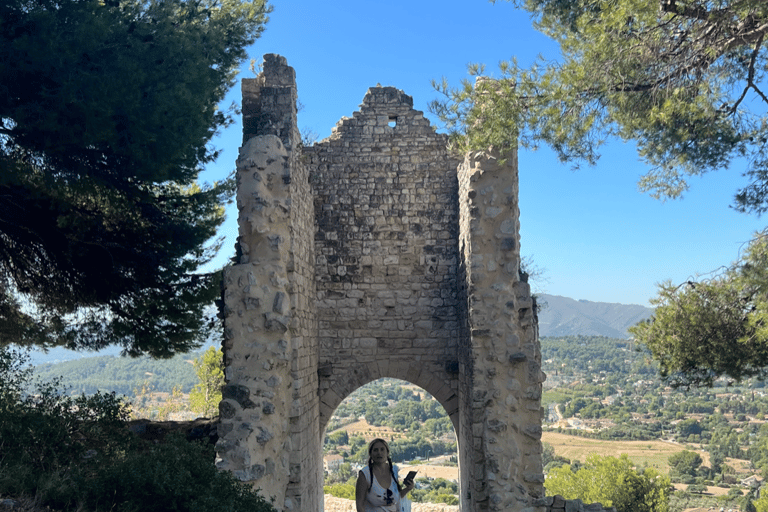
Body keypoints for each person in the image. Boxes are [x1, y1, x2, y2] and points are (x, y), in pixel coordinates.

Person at [355, 438, 415, 512]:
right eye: (375, 450)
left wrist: (408, 488)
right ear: (370, 454)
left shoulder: (394, 471)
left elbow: (395, 498)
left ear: (387, 452)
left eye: (382, 449)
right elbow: (359, 505)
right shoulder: (365, 474)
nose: (379, 453)